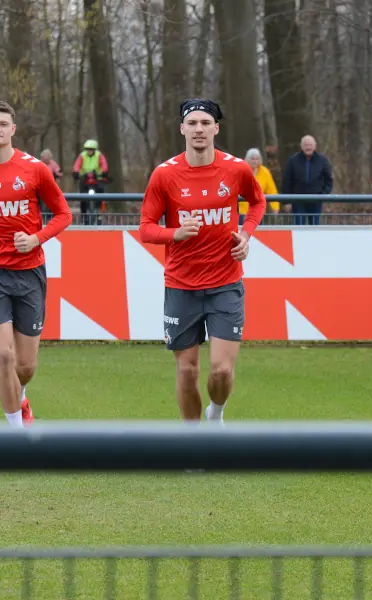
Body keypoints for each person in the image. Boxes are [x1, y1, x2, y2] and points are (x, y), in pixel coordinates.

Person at [139, 99, 267, 424]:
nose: (199, 129)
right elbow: (146, 229)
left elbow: (257, 202)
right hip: (181, 286)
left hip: (225, 283)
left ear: (216, 129)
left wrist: (246, 234)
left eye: (205, 123)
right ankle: (194, 442)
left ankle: (217, 413)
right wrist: (175, 234)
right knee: (187, 371)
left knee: (222, 371)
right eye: (192, 123)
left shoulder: (237, 169)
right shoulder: (164, 175)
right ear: (182, 129)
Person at [0, 100, 73, 427]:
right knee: (3, 355)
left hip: (29, 273)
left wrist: (36, 238)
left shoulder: (35, 170)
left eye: (3, 124)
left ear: (13, 130)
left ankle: (21, 397)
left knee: (25, 366)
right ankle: (16, 434)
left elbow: (64, 215)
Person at [280, 135, 333, 225]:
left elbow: (329, 180)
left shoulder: (322, 160)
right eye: (306, 145)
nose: (308, 147)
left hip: (316, 201)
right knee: (299, 227)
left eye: (310, 145)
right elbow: (287, 181)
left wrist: (323, 195)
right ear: (301, 146)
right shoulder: (292, 160)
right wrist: (286, 201)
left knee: (314, 228)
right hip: (298, 201)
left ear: (315, 146)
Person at [240, 148, 279, 225]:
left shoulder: (265, 172)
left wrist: (275, 207)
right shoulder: (241, 170)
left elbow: (272, 190)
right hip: (243, 211)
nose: (255, 161)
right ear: (247, 159)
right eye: (252, 159)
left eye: (257, 159)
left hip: (259, 211)